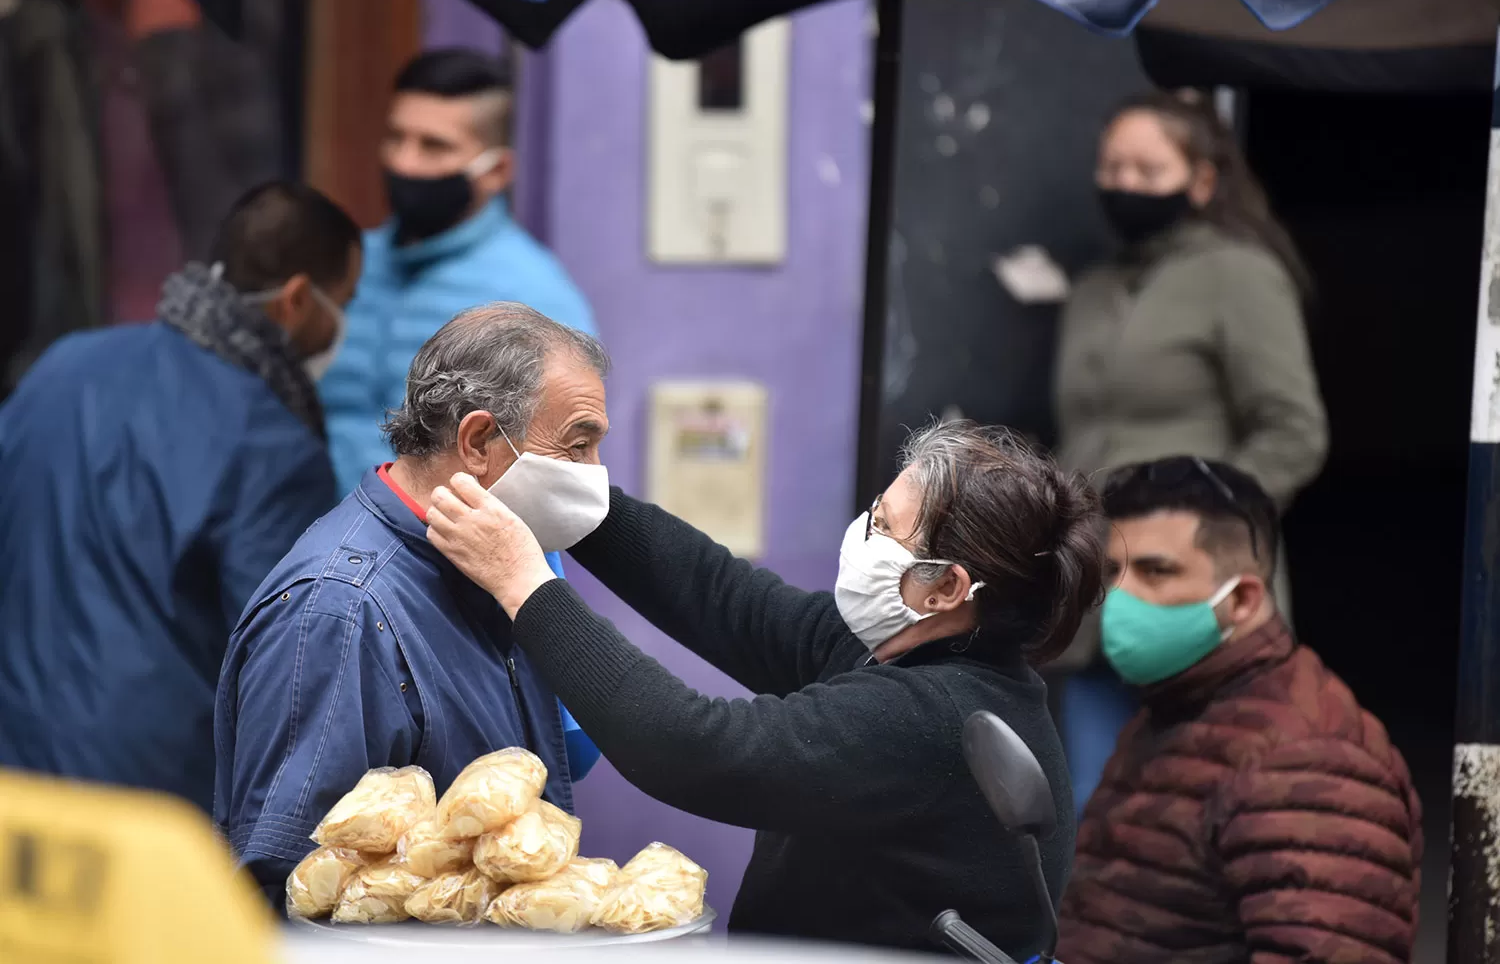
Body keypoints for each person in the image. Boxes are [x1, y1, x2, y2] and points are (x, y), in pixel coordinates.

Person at [423, 418, 1106, 955]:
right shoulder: (905, 651)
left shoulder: (933, 717)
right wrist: (576, 500)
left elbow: (692, 747)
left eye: (887, 529)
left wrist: (525, 587)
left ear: (946, 588)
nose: (863, 534)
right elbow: (727, 600)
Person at [216, 303, 607, 908]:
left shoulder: (497, 567)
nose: (594, 474)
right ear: (479, 441)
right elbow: (298, 893)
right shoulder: (339, 612)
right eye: (578, 447)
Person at [0, 181, 361, 814]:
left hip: (16, 762)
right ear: (299, 300)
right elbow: (285, 663)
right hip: (153, 800)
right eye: (345, 303)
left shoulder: (64, 363)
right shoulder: (271, 441)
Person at [1050, 90, 1329, 813]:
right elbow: (1085, 432)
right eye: (1112, 167)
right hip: (1095, 600)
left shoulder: (1240, 274)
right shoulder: (1093, 289)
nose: (1125, 185)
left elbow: (1294, 431)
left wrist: (1203, 527)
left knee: (1206, 807)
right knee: (1090, 809)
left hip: (1194, 595)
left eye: (1148, 168)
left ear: (1202, 180)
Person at [1056, 457, 1421, 964]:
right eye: (1114, 571)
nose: (1120, 599)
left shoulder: (1306, 756)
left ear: (1244, 600)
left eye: (1155, 571)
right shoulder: (1176, 710)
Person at [320, 48, 597, 498]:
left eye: (434, 146)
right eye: (396, 138)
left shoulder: (533, 296)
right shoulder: (341, 266)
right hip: (311, 550)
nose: (405, 163)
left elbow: (554, 475)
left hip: (442, 557)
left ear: (497, 170)